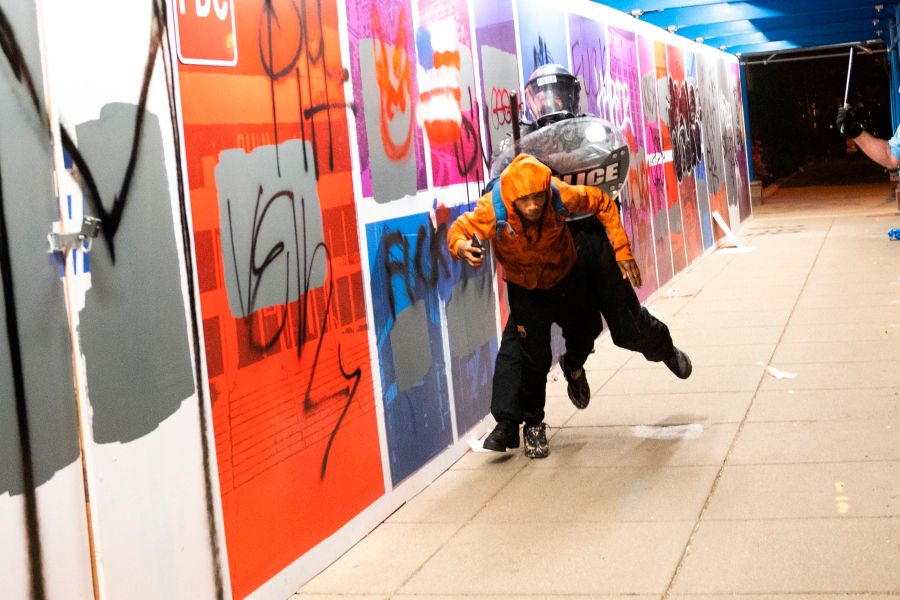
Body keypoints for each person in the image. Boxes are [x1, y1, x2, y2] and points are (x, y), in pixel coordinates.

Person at [482, 64, 692, 455]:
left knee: (625, 323)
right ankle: (510, 422)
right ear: (530, 99)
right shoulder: (520, 144)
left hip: (592, 239)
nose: (551, 101)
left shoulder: (590, 132)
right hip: (543, 250)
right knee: (524, 338)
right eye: (542, 94)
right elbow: (494, 189)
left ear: (572, 94)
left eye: (558, 93)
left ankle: (661, 348)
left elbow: (614, 173)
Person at [449, 153, 630, 458]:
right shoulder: (493, 209)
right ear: (511, 197)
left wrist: (622, 249)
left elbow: (601, 201)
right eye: (525, 200)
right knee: (534, 357)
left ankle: (573, 366)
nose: (533, 206)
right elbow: (459, 229)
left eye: (537, 198)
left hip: (564, 276)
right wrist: (462, 246)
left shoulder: (558, 193)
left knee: (588, 329)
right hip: (525, 287)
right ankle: (534, 424)